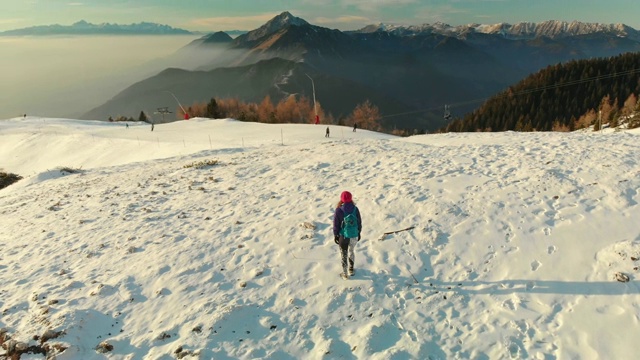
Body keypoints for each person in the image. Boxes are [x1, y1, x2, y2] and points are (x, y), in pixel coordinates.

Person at [333, 191, 362, 279]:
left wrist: (336, 235)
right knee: (351, 251)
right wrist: (358, 232)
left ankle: (345, 274)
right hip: (354, 235)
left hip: (343, 236)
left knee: (343, 254)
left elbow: (336, 224)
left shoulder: (339, 210)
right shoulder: (355, 209)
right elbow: (359, 222)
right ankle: (351, 270)